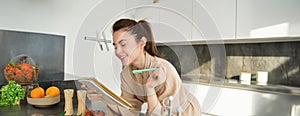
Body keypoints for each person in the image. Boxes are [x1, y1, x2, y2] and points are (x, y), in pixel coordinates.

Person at [86, 18, 201, 116]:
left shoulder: (164, 69)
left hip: (186, 111)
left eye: (123, 44)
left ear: (141, 43)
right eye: (115, 46)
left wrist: (150, 88)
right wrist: (103, 97)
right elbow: (130, 110)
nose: (117, 52)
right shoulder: (126, 74)